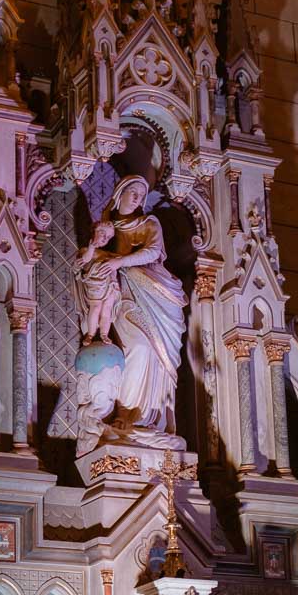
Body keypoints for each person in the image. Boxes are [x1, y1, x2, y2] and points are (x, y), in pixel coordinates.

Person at [76, 176, 186, 433]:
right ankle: (126, 411)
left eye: (141, 194)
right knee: (137, 347)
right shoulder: (106, 229)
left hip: (156, 293)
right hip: (121, 297)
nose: (137, 198)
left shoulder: (149, 223)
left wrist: (119, 262)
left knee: (154, 353)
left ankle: (148, 417)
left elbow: (153, 252)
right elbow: (86, 261)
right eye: (132, 192)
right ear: (119, 195)